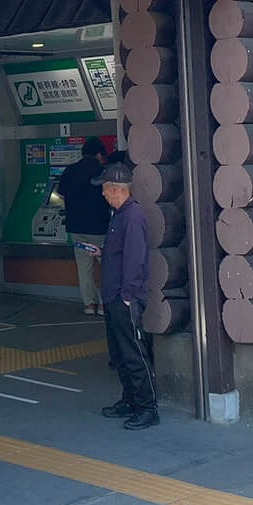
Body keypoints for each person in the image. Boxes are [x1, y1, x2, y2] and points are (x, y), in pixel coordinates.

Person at [95, 161, 157, 430]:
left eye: (105, 189)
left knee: (133, 354)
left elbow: (135, 259)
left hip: (123, 298)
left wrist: (128, 296)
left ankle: (147, 407)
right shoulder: (120, 215)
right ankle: (130, 399)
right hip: (113, 295)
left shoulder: (132, 216)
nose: (102, 194)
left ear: (114, 189)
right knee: (119, 353)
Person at [56, 138, 112, 316]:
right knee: (107, 267)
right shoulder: (103, 171)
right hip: (100, 229)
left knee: (84, 268)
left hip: (77, 229)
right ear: (98, 154)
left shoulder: (70, 170)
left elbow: (61, 195)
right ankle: (104, 305)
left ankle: (89, 305)